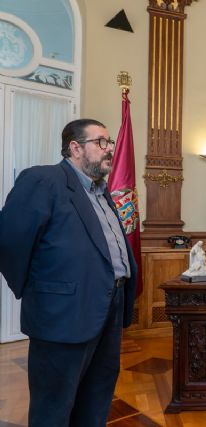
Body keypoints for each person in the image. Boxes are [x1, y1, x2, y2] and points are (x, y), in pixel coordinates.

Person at [0, 118, 138, 426]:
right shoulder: (44, 180)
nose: (109, 149)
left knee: (96, 397)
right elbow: (10, 240)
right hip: (62, 315)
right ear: (75, 148)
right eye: (100, 142)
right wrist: (40, 291)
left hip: (108, 308)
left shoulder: (102, 191)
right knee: (54, 407)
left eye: (110, 142)